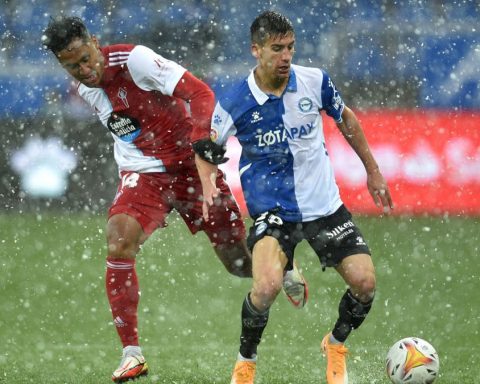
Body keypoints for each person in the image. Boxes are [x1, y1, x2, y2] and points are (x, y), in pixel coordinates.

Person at [42, 16, 308, 383]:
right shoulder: (87, 88)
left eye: (86, 58)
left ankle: (283, 262)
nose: (84, 70)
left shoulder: (134, 60)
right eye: (72, 66)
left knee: (238, 264)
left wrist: (202, 140)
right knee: (119, 239)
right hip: (144, 172)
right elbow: (128, 126)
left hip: (190, 168)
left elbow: (200, 93)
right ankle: (131, 353)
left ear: (95, 41)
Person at [195, 10, 394, 384]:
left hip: (324, 207)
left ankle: (335, 344)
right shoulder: (235, 101)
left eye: (290, 47)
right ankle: (245, 362)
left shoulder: (315, 81)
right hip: (272, 210)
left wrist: (373, 170)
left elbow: (346, 118)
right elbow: (206, 149)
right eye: (276, 49)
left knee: (365, 285)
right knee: (266, 287)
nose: (285, 56)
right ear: (256, 50)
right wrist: (208, 183)